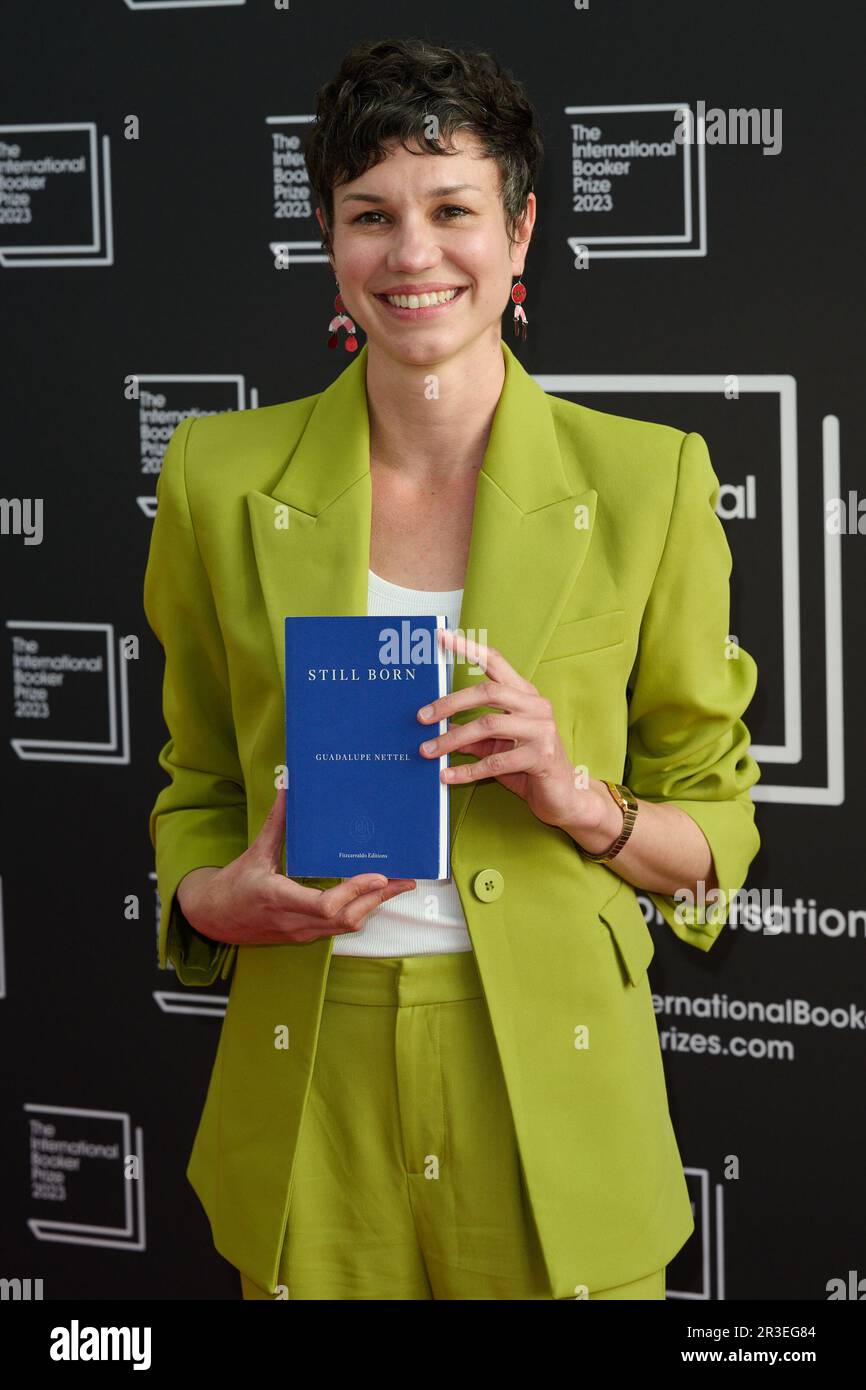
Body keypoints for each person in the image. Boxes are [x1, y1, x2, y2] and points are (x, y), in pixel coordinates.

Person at [143, 36, 761, 1301]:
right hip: (308, 1082)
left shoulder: (648, 482)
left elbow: (714, 829)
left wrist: (578, 797)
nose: (412, 254)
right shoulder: (215, 478)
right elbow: (196, 776)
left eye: (451, 209)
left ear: (520, 232)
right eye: (370, 214)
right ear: (329, 237)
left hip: (550, 1078)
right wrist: (215, 899)